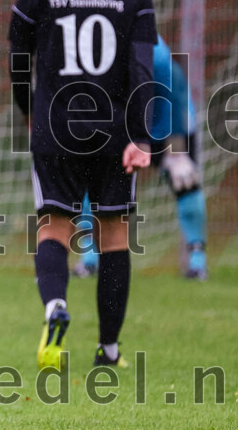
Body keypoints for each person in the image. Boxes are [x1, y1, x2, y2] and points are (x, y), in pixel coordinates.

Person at [8, 0, 157, 370]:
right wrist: (141, 137)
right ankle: (108, 349)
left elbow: (18, 60)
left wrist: (28, 111)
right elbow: (142, 68)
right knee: (113, 234)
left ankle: (55, 304)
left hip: (56, 127)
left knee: (54, 225)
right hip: (114, 133)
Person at [73, 35, 208, 280]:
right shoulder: (93, 43)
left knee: (184, 179)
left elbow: (174, 91)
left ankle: (197, 260)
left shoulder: (155, 55)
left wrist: (173, 146)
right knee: (93, 179)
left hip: (167, 116)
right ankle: (89, 258)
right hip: (120, 119)